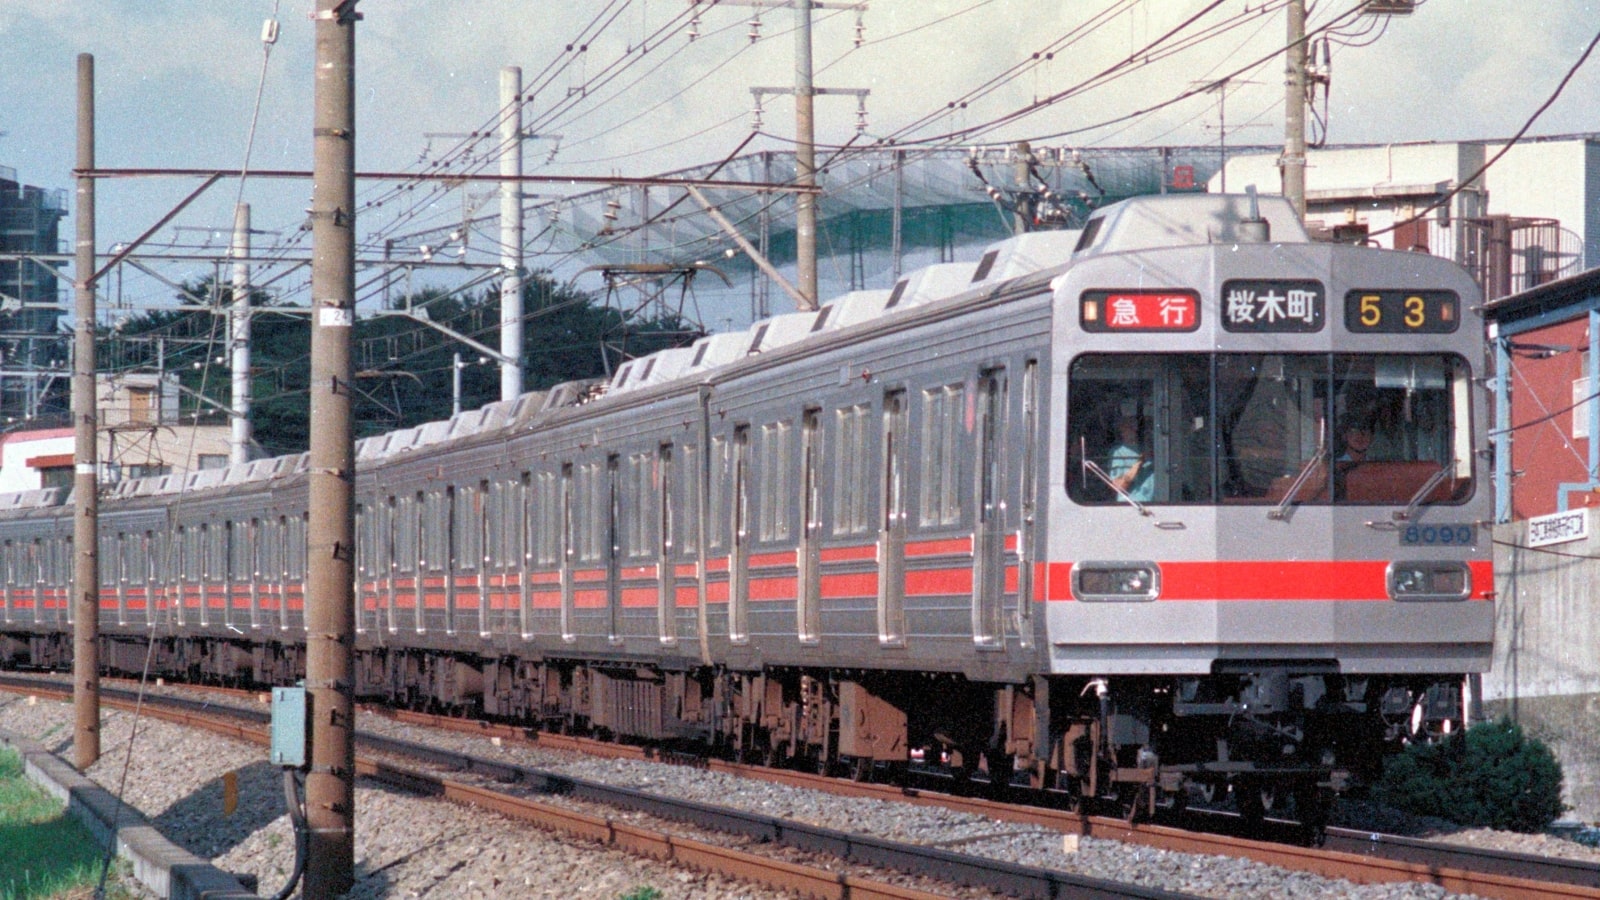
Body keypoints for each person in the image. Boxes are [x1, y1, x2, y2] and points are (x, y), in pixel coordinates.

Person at [1107, 415, 1154, 502]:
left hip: (1160, 503)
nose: (1135, 430)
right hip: (1132, 504)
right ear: (1121, 430)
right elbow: (1117, 486)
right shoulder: (1118, 452)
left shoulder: (1158, 449)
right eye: (1130, 426)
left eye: (1136, 426)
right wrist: (1139, 463)